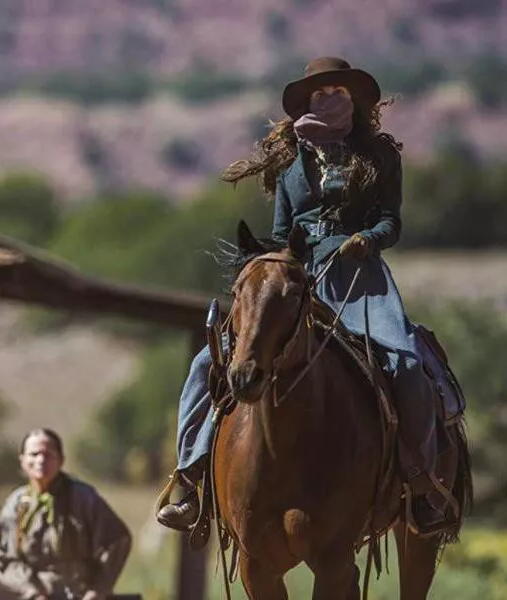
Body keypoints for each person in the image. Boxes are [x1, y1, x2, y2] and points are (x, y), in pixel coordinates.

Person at [156, 56, 449, 536]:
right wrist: (269, 265)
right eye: (320, 93)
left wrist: (368, 238)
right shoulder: (292, 164)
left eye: (338, 92)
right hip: (298, 278)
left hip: (360, 278)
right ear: (308, 102)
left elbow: (391, 221)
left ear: (354, 100)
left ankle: (420, 487)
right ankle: (192, 480)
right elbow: (280, 233)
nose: (328, 99)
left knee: (406, 364)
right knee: (209, 363)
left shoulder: (381, 156)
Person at [0, 428, 132, 600]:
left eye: (48, 455)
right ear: (22, 461)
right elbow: (1, 558)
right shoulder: (17, 504)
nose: (41, 460)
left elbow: (117, 540)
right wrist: (32, 591)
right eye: (34, 454)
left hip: (78, 593)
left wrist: (97, 591)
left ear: (61, 460)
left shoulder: (83, 498)